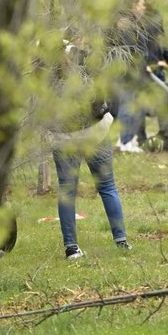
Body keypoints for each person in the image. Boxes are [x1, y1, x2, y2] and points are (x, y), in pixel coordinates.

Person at [49, 40, 130, 260]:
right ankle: (121, 240)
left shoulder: (46, 77)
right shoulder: (89, 65)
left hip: (64, 138)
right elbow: (112, 92)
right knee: (107, 187)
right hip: (96, 133)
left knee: (67, 191)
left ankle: (71, 247)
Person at [108, 0, 168, 152]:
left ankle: (126, 140)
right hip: (129, 73)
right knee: (126, 106)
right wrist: (144, 65)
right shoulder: (125, 24)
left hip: (139, 71)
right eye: (141, 5)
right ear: (133, 5)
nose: (143, 8)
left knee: (133, 106)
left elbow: (152, 44)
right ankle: (124, 142)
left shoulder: (136, 23)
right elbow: (131, 50)